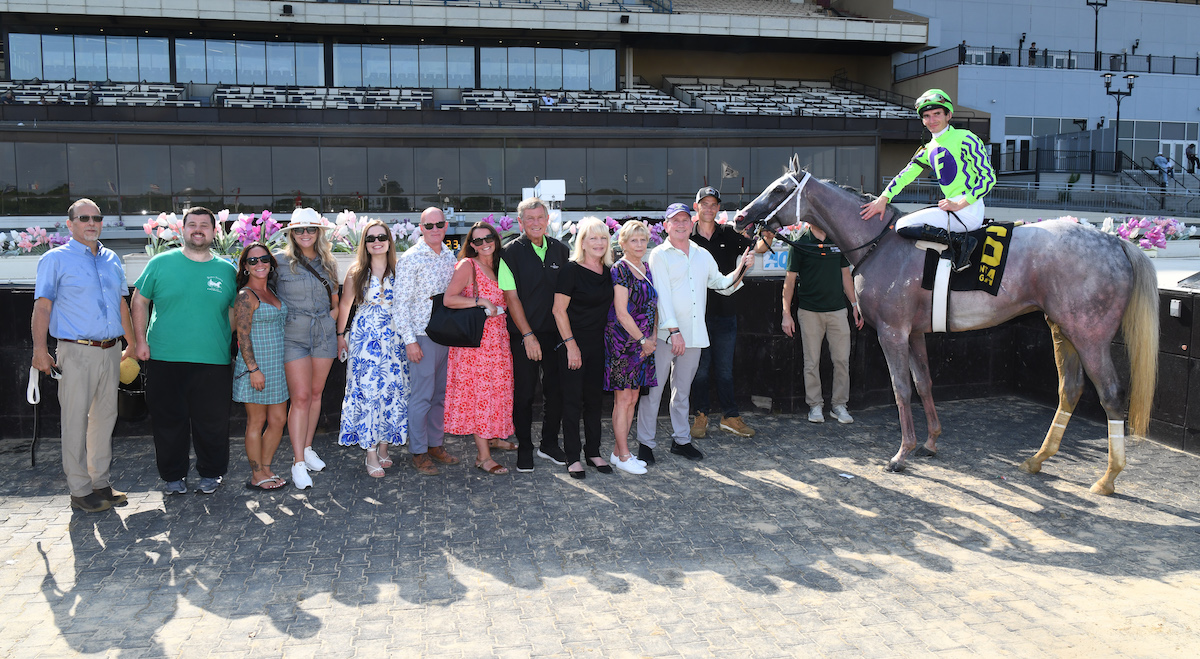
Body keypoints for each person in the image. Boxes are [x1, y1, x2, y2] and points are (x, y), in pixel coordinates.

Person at [31, 198, 136, 512]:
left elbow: (122, 305)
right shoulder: (55, 260)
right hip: (76, 351)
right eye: (84, 218)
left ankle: (99, 483)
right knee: (75, 420)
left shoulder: (112, 259)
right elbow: (43, 306)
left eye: (97, 217)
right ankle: (79, 490)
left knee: (105, 419)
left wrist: (131, 343)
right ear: (71, 223)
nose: (92, 223)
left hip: (111, 350)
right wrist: (39, 349)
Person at [636, 203, 754, 464]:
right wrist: (674, 331)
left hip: (694, 336)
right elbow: (661, 297)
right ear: (665, 226)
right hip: (667, 336)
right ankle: (645, 443)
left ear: (692, 224)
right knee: (654, 392)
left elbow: (722, 285)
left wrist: (742, 267)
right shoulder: (659, 255)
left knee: (683, 392)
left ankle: (681, 441)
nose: (680, 225)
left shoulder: (702, 254)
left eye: (684, 220)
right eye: (674, 221)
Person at [132, 207, 238, 495]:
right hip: (165, 358)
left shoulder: (226, 270)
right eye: (192, 225)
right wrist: (140, 341)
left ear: (215, 232)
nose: (198, 229)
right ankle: (172, 476)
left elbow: (232, 312)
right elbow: (139, 300)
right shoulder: (160, 263)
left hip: (212, 360)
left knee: (212, 422)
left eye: (205, 225)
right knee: (168, 422)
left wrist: (219, 339)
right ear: (183, 230)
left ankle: (211, 473)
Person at [860, 89, 996, 272]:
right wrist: (883, 199)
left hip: (967, 210)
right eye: (927, 116)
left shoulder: (965, 138)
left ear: (949, 115)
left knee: (902, 225)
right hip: (952, 209)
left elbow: (988, 178)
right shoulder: (927, 148)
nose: (932, 120)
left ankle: (961, 244)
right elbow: (905, 175)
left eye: (937, 114)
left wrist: (960, 204)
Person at [688, 186, 772, 440]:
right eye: (705, 203)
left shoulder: (728, 233)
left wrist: (768, 233)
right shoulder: (687, 237)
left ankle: (729, 416)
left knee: (725, 370)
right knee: (700, 371)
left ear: (718, 208)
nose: (709, 208)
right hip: (696, 316)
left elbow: (757, 248)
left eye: (714, 204)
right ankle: (700, 415)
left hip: (726, 313)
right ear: (697, 207)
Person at [499, 197, 570, 473]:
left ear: (548, 219)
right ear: (520, 222)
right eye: (530, 219)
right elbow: (511, 298)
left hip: (556, 335)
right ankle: (525, 447)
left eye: (540, 217)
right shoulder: (509, 253)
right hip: (524, 335)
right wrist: (528, 335)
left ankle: (549, 444)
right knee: (525, 394)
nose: (536, 223)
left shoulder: (561, 251)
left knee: (557, 391)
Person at [335, 220, 408, 477]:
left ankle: (385, 448)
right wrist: (340, 335)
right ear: (364, 244)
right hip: (365, 339)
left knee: (392, 390)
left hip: (395, 339)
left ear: (389, 241)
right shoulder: (357, 271)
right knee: (367, 390)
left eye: (381, 236)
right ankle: (370, 453)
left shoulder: (400, 270)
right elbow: (345, 306)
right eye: (370, 238)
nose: (376, 241)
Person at [274, 208, 339, 490]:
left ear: (318, 233)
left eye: (310, 230)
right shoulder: (277, 262)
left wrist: (331, 322)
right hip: (294, 336)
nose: (305, 234)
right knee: (299, 397)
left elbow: (336, 302)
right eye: (299, 230)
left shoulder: (328, 262)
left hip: (323, 335)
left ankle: (308, 447)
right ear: (290, 234)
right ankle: (298, 461)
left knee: (315, 394)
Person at [443, 222, 515, 475]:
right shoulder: (468, 265)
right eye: (477, 241)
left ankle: (492, 437)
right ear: (470, 245)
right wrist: (478, 300)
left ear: (496, 239)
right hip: (476, 344)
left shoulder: (499, 265)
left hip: (498, 340)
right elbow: (449, 299)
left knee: (497, 391)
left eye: (488, 239)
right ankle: (483, 457)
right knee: (480, 396)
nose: (484, 244)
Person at [395, 207, 461, 476]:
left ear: (446, 226)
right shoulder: (411, 259)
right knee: (422, 397)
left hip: (446, 335)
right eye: (429, 225)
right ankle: (419, 452)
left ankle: (435, 445)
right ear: (420, 228)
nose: (435, 229)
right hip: (422, 336)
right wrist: (410, 341)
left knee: (439, 396)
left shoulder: (448, 256)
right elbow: (400, 304)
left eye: (439, 224)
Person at [780, 223, 864, 425]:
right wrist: (786, 314)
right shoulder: (799, 243)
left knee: (842, 360)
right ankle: (815, 405)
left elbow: (846, 275)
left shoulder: (837, 241)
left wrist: (855, 304)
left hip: (837, 311)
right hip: (809, 312)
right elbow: (789, 281)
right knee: (811, 362)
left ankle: (839, 405)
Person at [552, 217, 615, 479]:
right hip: (572, 343)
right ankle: (572, 456)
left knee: (594, 401)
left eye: (603, 238)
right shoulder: (571, 270)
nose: (599, 243)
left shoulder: (609, 270)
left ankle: (593, 452)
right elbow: (558, 310)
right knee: (571, 402)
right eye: (593, 238)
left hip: (599, 344)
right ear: (583, 243)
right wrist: (571, 346)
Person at [232, 243, 289, 491]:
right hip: (255, 368)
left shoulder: (272, 292)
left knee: (278, 420)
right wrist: (254, 369)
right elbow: (242, 336)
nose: (259, 264)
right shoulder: (246, 295)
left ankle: (266, 467)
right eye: (253, 261)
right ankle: (256, 475)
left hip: (276, 367)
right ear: (245, 267)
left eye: (264, 259)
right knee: (256, 422)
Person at [605, 221, 655, 475]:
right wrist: (643, 341)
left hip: (643, 344)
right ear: (622, 243)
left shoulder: (646, 268)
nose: (639, 245)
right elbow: (622, 313)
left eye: (643, 240)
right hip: (624, 343)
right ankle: (623, 455)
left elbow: (652, 307)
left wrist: (652, 339)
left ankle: (618, 451)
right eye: (633, 240)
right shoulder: (620, 269)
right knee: (623, 399)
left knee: (633, 398)